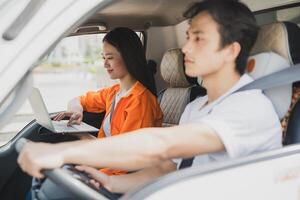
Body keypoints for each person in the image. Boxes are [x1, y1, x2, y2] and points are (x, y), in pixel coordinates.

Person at [18, 0, 282, 194]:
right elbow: (167, 167)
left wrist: (63, 153)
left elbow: (161, 145)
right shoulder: (198, 106)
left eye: (198, 39)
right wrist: (111, 182)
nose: (185, 48)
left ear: (230, 51)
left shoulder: (250, 107)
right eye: (187, 37)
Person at [53, 27, 163, 175]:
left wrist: (82, 135)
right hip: (103, 165)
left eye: (110, 58)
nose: (105, 64)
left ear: (128, 57)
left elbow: (127, 161)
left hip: (118, 178)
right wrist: (76, 111)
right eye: (103, 57)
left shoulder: (140, 102)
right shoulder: (114, 93)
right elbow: (77, 100)